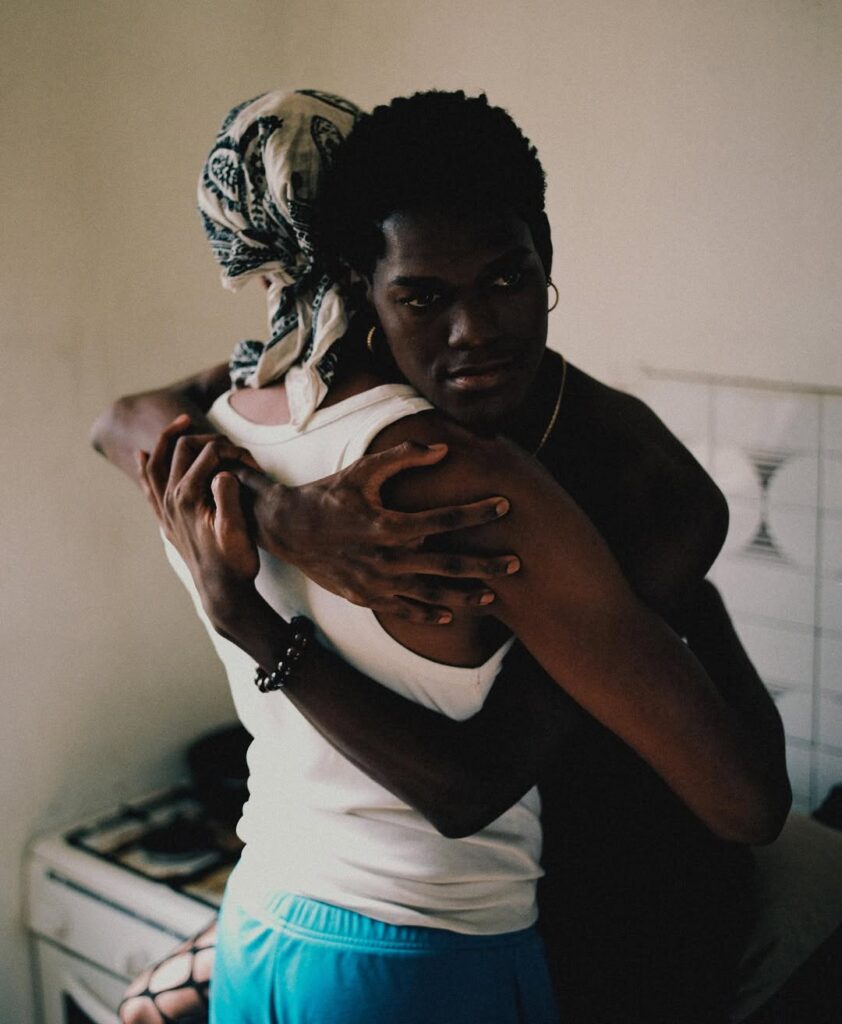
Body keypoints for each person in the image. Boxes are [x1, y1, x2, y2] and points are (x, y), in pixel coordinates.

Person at [94, 89, 790, 1024]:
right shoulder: (336, 400)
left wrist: (670, 606)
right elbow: (125, 419)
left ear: (545, 254)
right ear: (362, 286)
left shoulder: (630, 480)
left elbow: (486, 779)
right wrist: (283, 514)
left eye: (506, 281)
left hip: (612, 895)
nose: (474, 334)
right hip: (370, 906)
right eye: (423, 296)